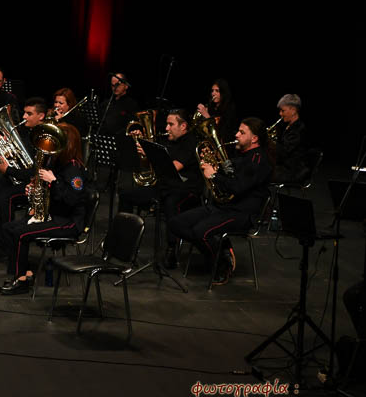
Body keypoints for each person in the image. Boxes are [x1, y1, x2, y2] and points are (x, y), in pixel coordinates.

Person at [168, 117, 272, 285]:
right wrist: (212, 164)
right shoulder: (242, 155)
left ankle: (222, 265)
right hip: (223, 206)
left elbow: (238, 187)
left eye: (242, 132)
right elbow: (229, 177)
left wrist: (215, 175)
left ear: (254, 138)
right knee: (176, 224)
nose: (236, 135)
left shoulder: (259, 161)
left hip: (242, 213)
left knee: (201, 232)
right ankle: (221, 248)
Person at [0, 123, 89, 295]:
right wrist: (33, 191)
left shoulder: (74, 169)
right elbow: (51, 195)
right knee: (8, 228)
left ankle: (21, 281)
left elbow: (72, 200)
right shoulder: (56, 164)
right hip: (53, 215)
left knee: (21, 234)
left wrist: (53, 181)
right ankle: (25, 273)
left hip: (69, 222)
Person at [118, 109, 202, 268]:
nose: (167, 128)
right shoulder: (168, 140)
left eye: (171, 124)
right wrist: (143, 152)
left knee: (171, 203)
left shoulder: (191, 142)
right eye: (167, 124)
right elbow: (148, 166)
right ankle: (124, 242)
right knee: (126, 195)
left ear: (183, 126)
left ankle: (171, 250)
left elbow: (174, 167)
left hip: (186, 190)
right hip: (165, 187)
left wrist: (150, 154)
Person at [0, 97, 47, 261]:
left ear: (41, 116)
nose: (24, 117)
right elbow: (17, 159)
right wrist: (4, 152)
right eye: (24, 113)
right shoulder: (26, 131)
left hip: (32, 185)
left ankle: (5, 246)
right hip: (14, 178)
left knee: (4, 197)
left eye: (29, 114)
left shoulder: (45, 138)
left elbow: (35, 171)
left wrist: (9, 170)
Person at [270, 93, 309, 184]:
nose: (280, 113)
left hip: (292, 171)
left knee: (258, 173)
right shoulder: (286, 126)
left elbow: (283, 152)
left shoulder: (299, 129)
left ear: (293, 110)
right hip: (283, 167)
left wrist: (269, 142)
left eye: (283, 110)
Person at [98, 72, 139, 136]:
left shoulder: (131, 104)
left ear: (126, 86)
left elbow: (133, 126)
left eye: (118, 85)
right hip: (105, 137)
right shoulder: (106, 103)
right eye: (113, 85)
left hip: (122, 138)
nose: (115, 87)